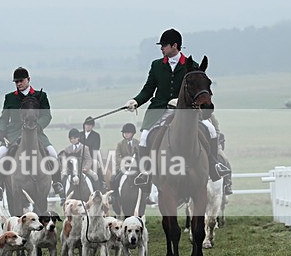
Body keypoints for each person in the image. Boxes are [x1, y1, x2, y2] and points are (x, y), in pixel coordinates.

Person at [125, 28, 231, 190]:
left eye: (164, 45)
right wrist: (136, 101)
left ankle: (213, 164)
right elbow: (148, 89)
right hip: (161, 109)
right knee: (146, 136)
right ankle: (145, 172)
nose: (161, 48)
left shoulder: (192, 65)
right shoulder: (156, 65)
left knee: (210, 129)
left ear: (175, 46)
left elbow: (198, 90)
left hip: (186, 111)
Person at [0, 67, 65, 201]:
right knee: (0, 155)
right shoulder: (10, 98)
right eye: (16, 82)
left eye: (21, 81)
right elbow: (3, 118)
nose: (18, 84)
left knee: (52, 153)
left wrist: (38, 126)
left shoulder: (41, 96)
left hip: (36, 132)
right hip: (13, 134)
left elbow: (46, 116)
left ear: (28, 79)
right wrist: (1, 131)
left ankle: (57, 182)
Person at [80, 116, 104, 189]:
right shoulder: (79, 134)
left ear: (92, 126)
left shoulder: (96, 135)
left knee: (97, 163)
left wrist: (88, 156)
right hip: (80, 157)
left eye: (89, 125)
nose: (87, 126)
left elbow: (96, 148)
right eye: (86, 125)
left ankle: (101, 181)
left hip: (92, 156)